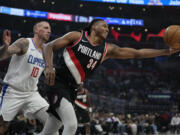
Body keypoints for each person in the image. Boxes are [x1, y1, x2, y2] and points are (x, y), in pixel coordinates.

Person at [40, 19, 180, 135]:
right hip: (57, 82)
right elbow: (48, 47)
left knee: (50, 130)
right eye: (104, 26)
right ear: (94, 27)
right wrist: (49, 67)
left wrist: (166, 52)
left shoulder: (107, 50)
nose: (108, 29)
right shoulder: (77, 36)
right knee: (71, 125)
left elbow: (138, 53)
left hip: (72, 90)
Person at [0, 21, 60, 135]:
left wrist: (52, 74)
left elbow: (49, 72)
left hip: (32, 94)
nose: (49, 31)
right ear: (36, 30)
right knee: (3, 124)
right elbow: (3, 55)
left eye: (50, 29)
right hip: (12, 91)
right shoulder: (25, 43)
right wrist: (5, 47)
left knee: (53, 121)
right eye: (46, 28)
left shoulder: (48, 51)